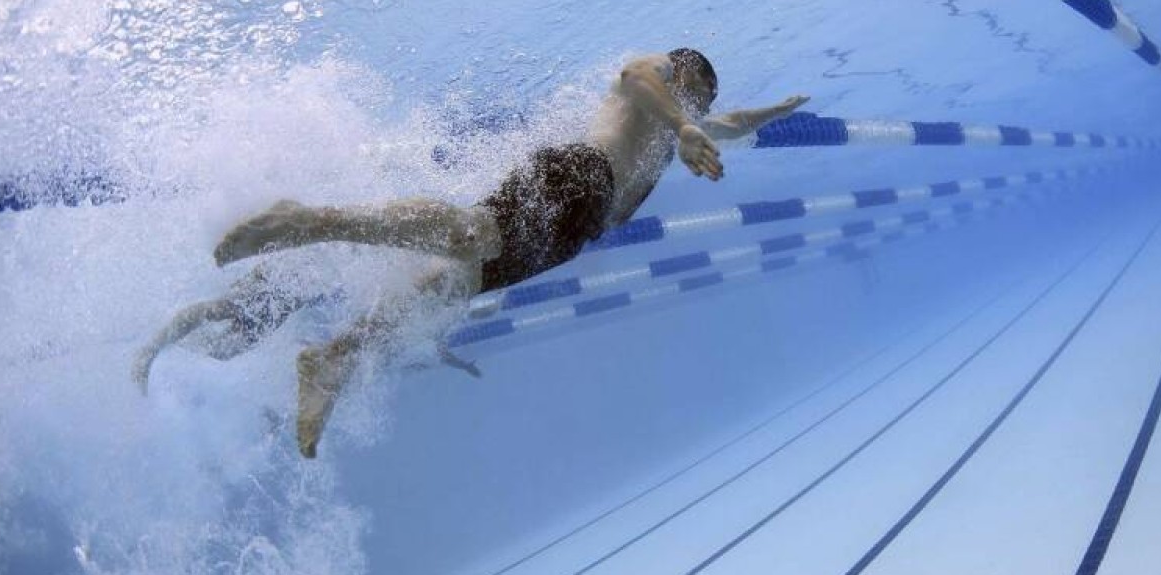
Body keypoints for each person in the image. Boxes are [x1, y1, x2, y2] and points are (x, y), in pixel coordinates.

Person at [212, 48, 810, 458]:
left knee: (450, 286)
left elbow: (729, 123)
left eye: (701, 104)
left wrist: (773, 112)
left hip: (573, 233)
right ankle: (305, 221)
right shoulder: (659, 83)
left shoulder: (683, 122)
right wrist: (682, 125)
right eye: (695, 94)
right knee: (470, 235)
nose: (698, 110)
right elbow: (634, 76)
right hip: (581, 175)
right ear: (681, 72)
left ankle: (335, 356)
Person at [132, 262, 346, 394]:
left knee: (223, 352)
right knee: (219, 309)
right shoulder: (335, 250)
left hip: (283, 305)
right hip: (273, 278)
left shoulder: (347, 276)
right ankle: (151, 348)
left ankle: (174, 338)